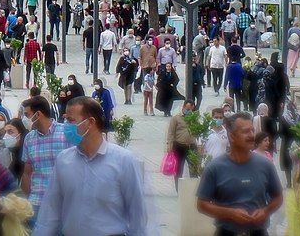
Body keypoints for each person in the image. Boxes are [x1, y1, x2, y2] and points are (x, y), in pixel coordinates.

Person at [34, 95, 149, 236]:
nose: (65, 126)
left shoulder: (123, 160)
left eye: (70, 120)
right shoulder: (64, 161)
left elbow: (137, 214)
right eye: (65, 119)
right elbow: (50, 211)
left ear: (90, 122)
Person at [197, 112, 283, 235]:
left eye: (252, 130)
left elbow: (278, 197)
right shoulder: (214, 168)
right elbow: (202, 204)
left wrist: (266, 210)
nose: (252, 135)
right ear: (231, 136)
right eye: (245, 131)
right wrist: (230, 213)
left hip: (259, 232)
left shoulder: (266, 164)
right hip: (226, 232)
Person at [20, 95, 70, 219]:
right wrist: (24, 202)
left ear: (37, 114)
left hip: (62, 205)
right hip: (36, 203)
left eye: (27, 114)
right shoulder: (29, 138)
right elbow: (27, 173)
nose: (24, 119)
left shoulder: (65, 133)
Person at [166, 100, 197, 192]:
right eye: (187, 109)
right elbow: (171, 133)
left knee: (194, 168)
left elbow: (198, 131)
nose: (189, 111)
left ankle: (193, 190)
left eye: (191, 109)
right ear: (183, 107)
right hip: (179, 146)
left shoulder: (194, 118)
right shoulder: (176, 118)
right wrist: (169, 147)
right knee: (179, 169)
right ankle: (179, 190)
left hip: (191, 146)